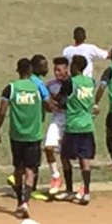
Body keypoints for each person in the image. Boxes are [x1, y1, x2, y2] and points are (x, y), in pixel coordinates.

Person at [0, 57, 50, 217]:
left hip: (17, 135)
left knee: (18, 169)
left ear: (18, 71)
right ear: (30, 71)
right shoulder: (37, 87)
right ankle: (25, 202)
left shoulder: (10, 88)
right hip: (34, 134)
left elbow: (2, 111)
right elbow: (48, 105)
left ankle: (19, 200)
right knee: (30, 170)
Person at [60, 55, 100, 205]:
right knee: (85, 160)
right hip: (87, 125)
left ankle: (69, 190)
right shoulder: (91, 82)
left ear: (75, 67)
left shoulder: (70, 82)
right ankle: (87, 193)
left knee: (65, 157)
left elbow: (61, 100)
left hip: (73, 125)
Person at [40, 56, 71, 197]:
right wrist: (49, 105)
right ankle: (56, 177)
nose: (57, 73)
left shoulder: (72, 82)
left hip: (71, 119)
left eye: (60, 70)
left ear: (67, 69)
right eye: (55, 70)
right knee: (48, 148)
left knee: (66, 156)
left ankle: (72, 188)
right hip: (58, 118)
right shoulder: (50, 85)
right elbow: (48, 106)